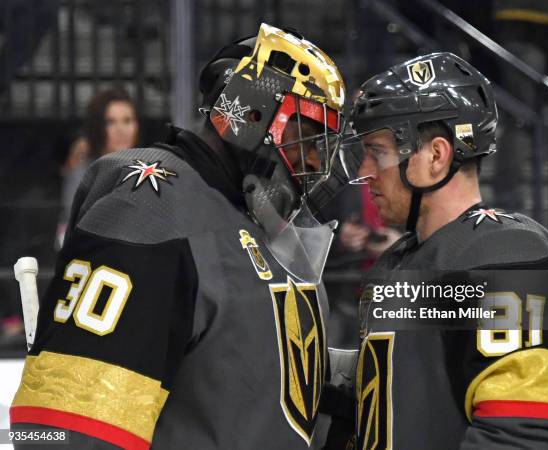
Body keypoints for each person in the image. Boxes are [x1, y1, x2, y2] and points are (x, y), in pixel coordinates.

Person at [10, 23, 346, 449]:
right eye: (304, 135)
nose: (315, 160)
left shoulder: (245, 215)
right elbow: (62, 429)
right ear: (252, 116)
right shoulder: (152, 208)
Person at [339, 52, 548, 449]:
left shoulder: (504, 254)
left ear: (436, 156)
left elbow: (522, 437)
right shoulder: (404, 258)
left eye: (378, 151)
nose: (365, 169)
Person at [56, 87, 140, 248]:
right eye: (110, 122)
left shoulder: (148, 168)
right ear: (98, 127)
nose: (121, 130)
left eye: (127, 120)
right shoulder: (83, 171)